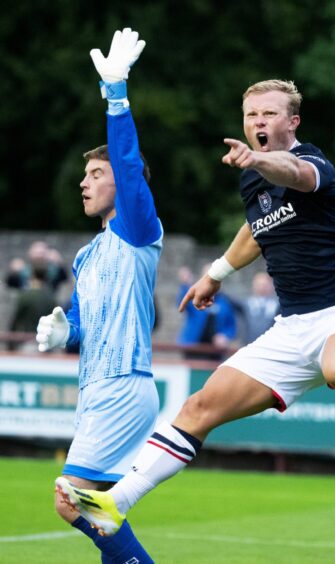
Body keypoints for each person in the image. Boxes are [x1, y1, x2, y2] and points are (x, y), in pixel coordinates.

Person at [56, 78, 335, 537]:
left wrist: (258, 159)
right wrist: (214, 273)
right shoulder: (252, 182)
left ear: (292, 121)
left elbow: (293, 174)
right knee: (199, 407)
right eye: (251, 115)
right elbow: (256, 229)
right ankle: (117, 502)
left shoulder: (313, 164)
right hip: (289, 328)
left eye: (269, 114)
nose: (258, 121)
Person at [39, 28, 162, 563]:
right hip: (96, 387)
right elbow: (89, 326)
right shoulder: (87, 256)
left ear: (123, 185)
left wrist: (116, 93)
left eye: (96, 173)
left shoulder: (137, 227)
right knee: (99, 508)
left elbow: (130, 164)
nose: (84, 183)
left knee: (70, 499)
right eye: (85, 175)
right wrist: (69, 334)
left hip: (122, 385)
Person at [177, 264, 237, 360]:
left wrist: (225, 336)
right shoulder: (195, 297)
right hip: (192, 348)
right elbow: (182, 303)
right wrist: (185, 284)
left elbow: (231, 326)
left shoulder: (226, 302)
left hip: (215, 352)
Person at [8, 266, 57, 351]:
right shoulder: (51, 297)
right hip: (47, 342)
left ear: (32, 276)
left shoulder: (25, 296)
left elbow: (16, 321)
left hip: (29, 341)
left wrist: (11, 344)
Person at [233, 271, 279, 344]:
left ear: (272, 286)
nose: (262, 288)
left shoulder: (279, 305)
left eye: (265, 285)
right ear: (253, 286)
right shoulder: (246, 303)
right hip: (250, 344)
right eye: (259, 285)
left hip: (273, 345)